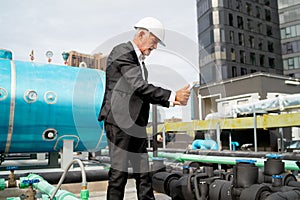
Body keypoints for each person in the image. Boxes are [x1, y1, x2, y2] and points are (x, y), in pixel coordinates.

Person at [98, 17, 191, 200]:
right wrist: (173, 96)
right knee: (119, 174)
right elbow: (139, 86)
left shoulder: (139, 62)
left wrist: (173, 101)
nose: (155, 47)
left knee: (143, 173)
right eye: (154, 42)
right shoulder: (122, 52)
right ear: (141, 34)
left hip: (136, 125)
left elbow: (141, 93)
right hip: (119, 123)